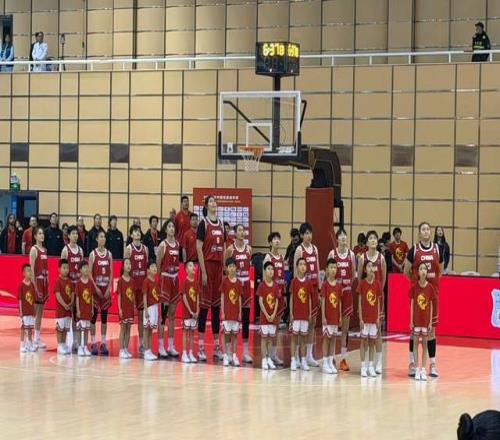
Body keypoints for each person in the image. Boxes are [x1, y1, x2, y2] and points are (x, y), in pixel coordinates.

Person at [404, 221, 443, 378]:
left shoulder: (437, 249)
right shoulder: (414, 250)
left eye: (428, 229)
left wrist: (431, 286)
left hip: (432, 296)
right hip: (418, 295)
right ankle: (412, 364)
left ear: (430, 232)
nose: (426, 231)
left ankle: (432, 364)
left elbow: (440, 270)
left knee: (431, 331)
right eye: (423, 229)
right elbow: (406, 270)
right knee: (414, 332)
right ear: (419, 233)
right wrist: (417, 284)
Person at [196, 195, 226, 362]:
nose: (214, 203)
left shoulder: (221, 224)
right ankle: (200, 347)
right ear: (207, 206)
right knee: (204, 308)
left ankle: (216, 347)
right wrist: (203, 271)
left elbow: (224, 247)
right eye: (211, 201)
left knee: (216, 308)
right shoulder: (203, 224)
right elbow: (198, 248)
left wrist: (224, 268)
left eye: (215, 201)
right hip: (207, 266)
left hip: (218, 268)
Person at [357, 230, 387, 374]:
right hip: (366, 299)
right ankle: (365, 365)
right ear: (367, 242)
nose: (373, 240)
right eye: (371, 238)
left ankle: (378, 363)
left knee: (378, 332)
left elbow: (384, 279)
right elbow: (359, 277)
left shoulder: (381, 258)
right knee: (365, 337)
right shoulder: (362, 258)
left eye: (375, 238)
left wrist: (377, 291)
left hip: (377, 298)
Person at [327, 229, 356, 371]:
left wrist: (346, 285)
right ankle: (331, 357)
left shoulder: (351, 254)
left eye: (345, 236)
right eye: (341, 236)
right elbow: (328, 273)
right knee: (333, 328)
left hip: (347, 294)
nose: (343, 238)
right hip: (335, 295)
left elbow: (354, 275)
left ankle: (343, 359)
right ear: (337, 239)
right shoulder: (332, 254)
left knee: (345, 329)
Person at [225, 224, 253, 364]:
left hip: (246, 284)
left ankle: (246, 352)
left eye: (243, 230)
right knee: (232, 318)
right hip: (234, 285)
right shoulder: (230, 249)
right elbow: (226, 268)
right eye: (240, 230)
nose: (243, 232)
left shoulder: (249, 249)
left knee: (246, 318)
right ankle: (230, 353)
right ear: (235, 233)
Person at [293, 222, 320, 367]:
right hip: (302, 290)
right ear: (302, 235)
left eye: (310, 233)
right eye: (306, 233)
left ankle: (309, 355)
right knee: (300, 324)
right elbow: (295, 271)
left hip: (314, 288)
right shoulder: (299, 250)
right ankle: (297, 356)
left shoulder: (315, 249)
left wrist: (319, 289)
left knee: (312, 322)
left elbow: (318, 269)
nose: (309, 236)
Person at [156, 219, 180, 358]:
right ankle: (160, 346)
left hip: (175, 279)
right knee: (163, 315)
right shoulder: (163, 245)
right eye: (169, 226)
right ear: (166, 230)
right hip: (165, 280)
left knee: (172, 314)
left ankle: (171, 345)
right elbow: (158, 264)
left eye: (173, 226)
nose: (172, 228)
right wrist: (160, 281)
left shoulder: (177, 244)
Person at [124, 225, 148, 355]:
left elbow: (147, 267)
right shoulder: (129, 249)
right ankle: (124, 346)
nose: (137, 233)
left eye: (139, 231)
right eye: (135, 232)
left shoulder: (145, 249)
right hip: (131, 288)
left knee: (141, 317)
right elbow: (125, 268)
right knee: (127, 317)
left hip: (142, 288)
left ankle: (142, 344)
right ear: (131, 235)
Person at [263, 231, 286, 365]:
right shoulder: (268, 257)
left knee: (276, 326)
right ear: (270, 243)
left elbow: (283, 277)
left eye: (279, 238)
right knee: (269, 326)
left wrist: (284, 295)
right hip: (270, 296)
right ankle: (266, 355)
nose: (277, 241)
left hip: (280, 295)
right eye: (275, 239)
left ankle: (273, 354)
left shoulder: (281, 257)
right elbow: (265, 279)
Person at [410, 262, 435, 381]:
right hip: (416, 321)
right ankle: (416, 368)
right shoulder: (414, 287)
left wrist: (430, 322)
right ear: (418, 272)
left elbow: (431, 305)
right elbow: (412, 304)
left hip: (425, 322)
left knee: (425, 346)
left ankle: (423, 369)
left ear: (427, 272)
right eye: (421, 269)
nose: (423, 271)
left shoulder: (430, 288)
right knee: (415, 345)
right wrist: (411, 321)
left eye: (425, 269)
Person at [89, 231, 112, 356]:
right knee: (93, 318)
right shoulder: (93, 254)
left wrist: (108, 289)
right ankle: (93, 343)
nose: (103, 238)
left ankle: (103, 343)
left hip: (105, 290)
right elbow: (89, 273)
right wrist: (95, 288)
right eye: (101, 237)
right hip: (96, 290)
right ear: (97, 239)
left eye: (104, 237)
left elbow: (111, 273)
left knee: (104, 318)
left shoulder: (109, 254)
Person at [61, 225, 84, 352]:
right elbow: (62, 269)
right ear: (68, 236)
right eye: (73, 234)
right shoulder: (65, 250)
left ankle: (75, 340)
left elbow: (83, 269)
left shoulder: (80, 250)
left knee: (76, 314)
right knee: (67, 314)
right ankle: (63, 341)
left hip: (78, 286)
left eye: (76, 233)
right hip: (68, 286)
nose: (75, 236)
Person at [357, 260, 382, 378]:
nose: (371, 268)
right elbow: (359, 302)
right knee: (363, 342)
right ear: (365, 269)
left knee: (372, 342)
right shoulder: (362, 284)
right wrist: (361, 319)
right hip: (365, 318)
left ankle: (371, 366)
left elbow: (378, 302)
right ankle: (363, 366)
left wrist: (378, 317)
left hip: (373, 318)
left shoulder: (377, 284)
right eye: (369, 266)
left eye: (373, 266)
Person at [289, 257, 313, 371]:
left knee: (303, 338)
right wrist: (291, 313)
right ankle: (293, 360)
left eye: (304, 264)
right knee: (294, 338)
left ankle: (303, 360)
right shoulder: (294, 281)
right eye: (300, 264)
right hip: (296, 314)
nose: (303, 266)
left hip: (305, 314)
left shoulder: (308, 282)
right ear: (297, 267)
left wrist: (309, 313)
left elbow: (309, 299)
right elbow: (291, 298)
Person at [257, 261, 280, 370]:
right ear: (264, 271)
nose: (271, 271)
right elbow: (260, 301)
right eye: (268, 269)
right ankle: (263, 359)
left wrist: (274, 314)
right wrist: (266, 314)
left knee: (271, 338)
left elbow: (277, 301)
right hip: (264, 317)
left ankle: (269, 358)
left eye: (272, 269)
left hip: (272, 317)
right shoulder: (262, 285)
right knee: (264, 338)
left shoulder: (275, 286)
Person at [321, 258, 342, 374]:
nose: (333, 270)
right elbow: (323, 301)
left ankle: (330, 362)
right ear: (327, 269)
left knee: (333, 339)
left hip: (335, 317)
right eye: (331, 267)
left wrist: (340, 316)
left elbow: (339, 302)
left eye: (335, 267)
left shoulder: (338, 285)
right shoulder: (325, 285)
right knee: (326, 339)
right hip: (327, 317)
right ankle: (325, 363)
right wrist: (323, 317)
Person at [220, 257, 242, 367]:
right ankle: (225, 355)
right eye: (230, 266)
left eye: (233, 266)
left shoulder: (238, 282)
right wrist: (223, 312)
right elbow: (222, 297)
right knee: (225, 334)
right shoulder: (224, 281)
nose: (232, 268)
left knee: (234, 335)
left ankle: (234, 355)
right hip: (227, 313)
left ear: (236, 267)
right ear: (227, 268)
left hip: (235, 313)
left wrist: (240, 312)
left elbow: (239, 298)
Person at [30, 226, 48, 349]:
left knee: (40, 313)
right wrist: (34, 286)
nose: (42, 235)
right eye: (39, 233)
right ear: (35, 236)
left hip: (43, 283)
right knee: (33, 313)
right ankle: (29, 339)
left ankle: (37, 338)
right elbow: (31, 269)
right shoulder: (34, 249)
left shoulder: (44, 250)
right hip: (36, 283)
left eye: (42, 233)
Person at [180, 260, 199, 363]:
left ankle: (191, 353)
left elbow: (198, 297)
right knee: (185, 332)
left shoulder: (196, 282)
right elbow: (184, 298)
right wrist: (190, 311)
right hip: (187, 313)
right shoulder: (185, 282)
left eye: (194, 266)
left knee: (192, 333)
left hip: (194, 312)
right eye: (191, 266)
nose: (193, 267)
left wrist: (197, 310)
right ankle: (184, 353)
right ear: (186, 270)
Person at [117, 258, 135, 359]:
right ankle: (121, 350)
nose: (129, 265)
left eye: (130, 264)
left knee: (128, 328)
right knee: (123, 328)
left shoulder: (132, 281)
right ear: (123, 266)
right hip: (123, 308)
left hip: (130, 308)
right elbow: (119, 296)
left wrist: (134, 305)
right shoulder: (120, 280)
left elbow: (132, 295)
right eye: (126, 263)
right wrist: (120, 309)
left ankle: (126, 349)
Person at [54, 258, 73, 355]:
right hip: (60, 310)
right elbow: (58, 295)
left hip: (68, 310)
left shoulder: (69, 281)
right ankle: (59, 345)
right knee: (60, 329)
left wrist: (71, 303)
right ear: (59, 269)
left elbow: (72, 293)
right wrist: (64, 305)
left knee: (65, 328)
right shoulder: (58, 281)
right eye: (64, 268)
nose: (66, 270)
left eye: (67, 268)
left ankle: (64, 343)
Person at [142, 260, 160, 361]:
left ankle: (149, 350)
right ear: (148, 270)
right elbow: (144, 296)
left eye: (155, 266)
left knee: (151, 330)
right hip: (148, 308)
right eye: (152, 267)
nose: (154, 268)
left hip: (155, 307)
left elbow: (157, 295)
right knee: (146, 329)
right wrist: (146, 310)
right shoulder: (146, 281)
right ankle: (146, 351)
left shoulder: (156, 281)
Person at [75, 260, 93, 356]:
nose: (86, 269)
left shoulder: (90, 282)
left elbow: (91, 296)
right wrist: (78, 310)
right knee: (80, 328)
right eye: (84, 267)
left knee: (86, 329)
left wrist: (92, 308)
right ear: (80, 270)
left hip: (88, 309)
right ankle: (79, 347)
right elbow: (77, 297)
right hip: (81, 310)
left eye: (87, 267)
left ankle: (85, 346)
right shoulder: (78, 283)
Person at [18, 264, 36, 353]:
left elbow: (34, 299)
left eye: (30, 271)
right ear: (24, 273)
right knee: (23, 328)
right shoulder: (21, 285)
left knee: (30, 328)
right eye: (28, 271)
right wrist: (21, 311)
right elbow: (20, 299)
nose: (30, 272)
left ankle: (30, 343)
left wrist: (34, 310)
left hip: (31, 311)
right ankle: (22, 344)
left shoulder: (32, 285)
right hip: (24, 311)